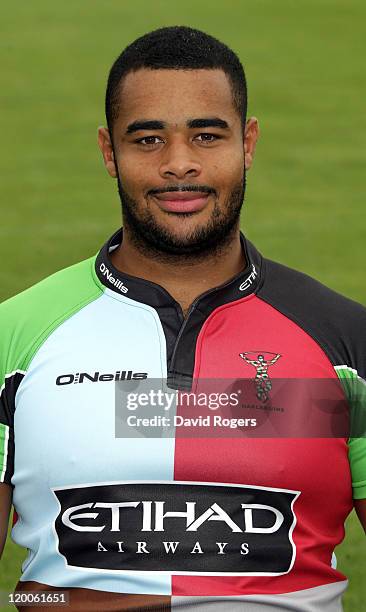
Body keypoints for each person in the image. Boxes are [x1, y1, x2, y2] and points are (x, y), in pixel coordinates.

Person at [0, 25, 365, 612]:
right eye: (147, 139)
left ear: (247, 143)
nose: (179, 164)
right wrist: (46, 602)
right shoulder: (13, 339)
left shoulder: (347, 342)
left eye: (206, 135)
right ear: (107, 151)